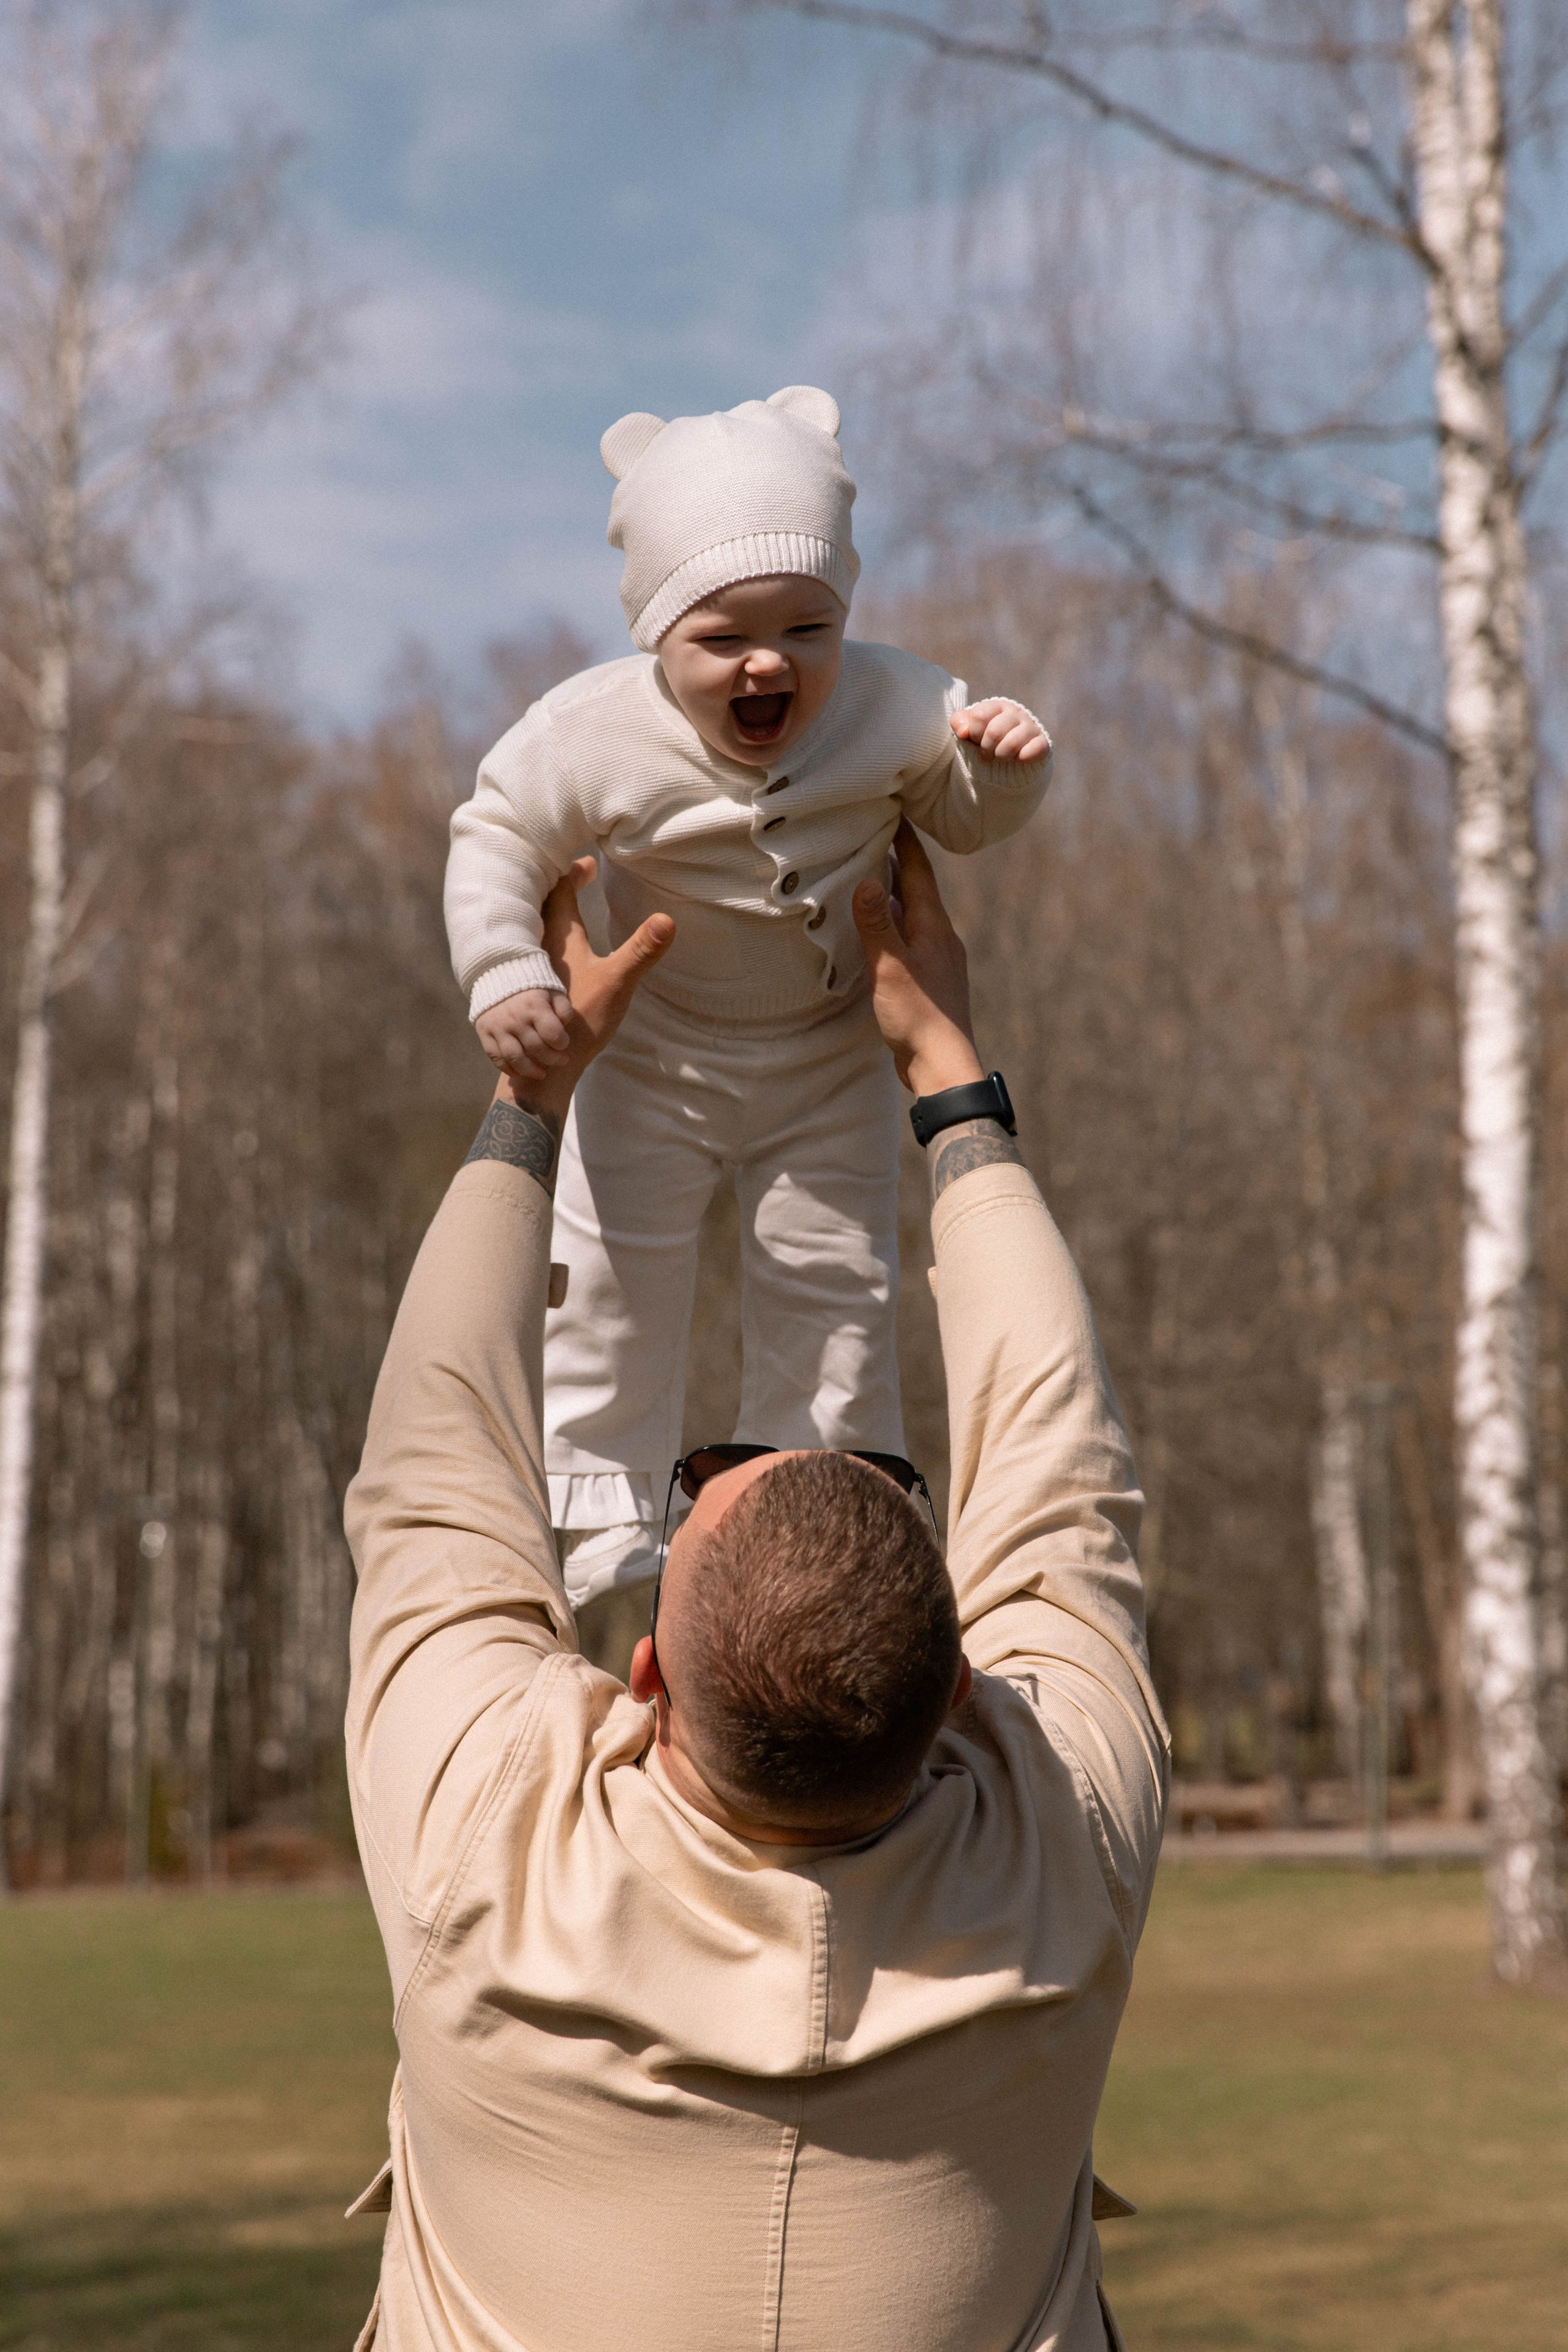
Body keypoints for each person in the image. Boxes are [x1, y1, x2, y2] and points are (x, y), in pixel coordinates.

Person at [343, 823, 1168, 2351]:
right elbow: (1063, 1480)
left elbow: (430, 1470)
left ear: (639, 1681)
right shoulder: (1061, 1850)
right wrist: (946, 1071)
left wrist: (535, 1097)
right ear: (961, 1699)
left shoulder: (489, 1849)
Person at [443, 386, 1050, 1618]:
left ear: (845, 620)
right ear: (654, 637)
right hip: (651, 1057)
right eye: (721, 639)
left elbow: (960, 821)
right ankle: (611, 1538)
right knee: (611, 1277)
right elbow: (496, 835)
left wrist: (993, 773)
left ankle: (814, 1522)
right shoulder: (591, 730)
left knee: (831, 1285)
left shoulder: (895, 704)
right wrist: (504, 970)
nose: (769, 662)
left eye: (806, 628)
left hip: (826, 1056)